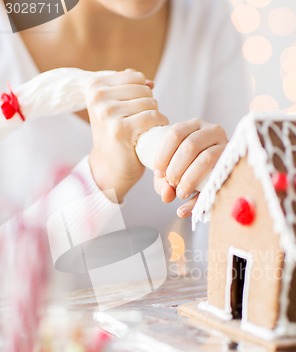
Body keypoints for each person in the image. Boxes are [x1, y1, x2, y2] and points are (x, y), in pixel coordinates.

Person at [0, 0, 249, 283]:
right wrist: (98, 181)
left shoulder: (205, 19)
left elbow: (226, 277)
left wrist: (224, 197)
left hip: (156, 323)